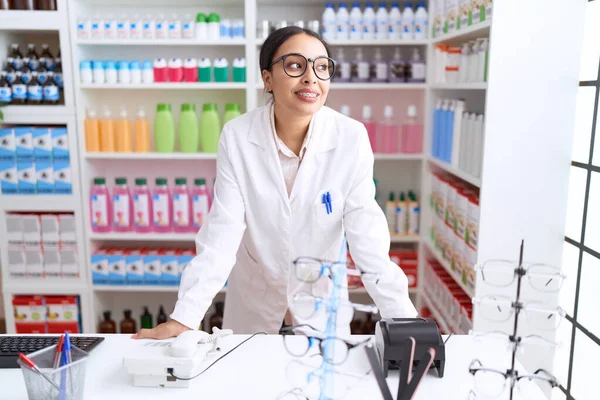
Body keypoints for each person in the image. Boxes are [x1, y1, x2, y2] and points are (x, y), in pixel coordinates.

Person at [133, 26, 417, 340]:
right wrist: (185, 318)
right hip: (254, 305)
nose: (311, 77)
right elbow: (221, 234)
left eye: (321, 67)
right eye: (295, 65)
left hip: (320, 308)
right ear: (267, 79)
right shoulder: (238, 135)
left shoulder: (350, 137)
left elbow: (368, 238)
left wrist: (403, 319)